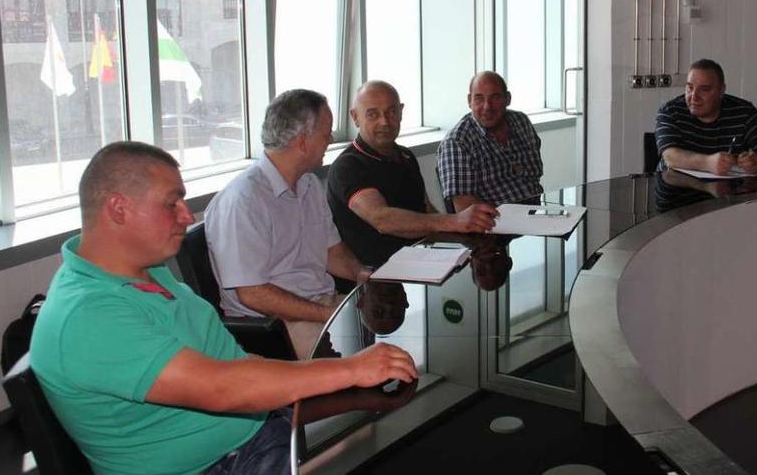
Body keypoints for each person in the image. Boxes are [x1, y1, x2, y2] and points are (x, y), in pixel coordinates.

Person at [29, 141, 417, 475]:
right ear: (118, 209)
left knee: (401, 436)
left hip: (255, 431)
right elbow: (221, 388)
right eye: (172, 203)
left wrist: (346, 385)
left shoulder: (146, 272)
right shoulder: (88, 316)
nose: (187, 216)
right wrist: (351, 368)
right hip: (219, 463)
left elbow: (230, 360)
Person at [205, 89, 369, 359]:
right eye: (326, 133)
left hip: (320, 305)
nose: (330, 139)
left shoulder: (309, 184)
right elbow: (253, 294)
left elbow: (332, 252)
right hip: (274, 324)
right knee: (359, 362)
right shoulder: (244, 200)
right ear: (303, 141)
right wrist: (330, 314)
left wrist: (366, 278)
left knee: (395, 333)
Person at [327, 80, 498, 267]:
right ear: (355, 117)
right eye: (373, 114)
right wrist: (454, 221)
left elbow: (426, 209)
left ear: (401, 112)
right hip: (373, 275)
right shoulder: (347, 166)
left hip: (420, 263)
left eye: (391, 112)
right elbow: (382, 219)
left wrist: (462, 247)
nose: (384, 121)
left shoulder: (405, 155)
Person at [437, 70, 544, 212]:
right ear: (469, 101)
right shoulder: (457, 142)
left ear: (508, 99)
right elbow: (466, 208)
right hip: (493, 226)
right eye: (479, 98)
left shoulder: (521, 122)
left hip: (536, 214)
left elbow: (535, 175)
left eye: (495, 97)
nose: (487, 106)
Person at [655, 58, 757, 175]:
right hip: (675, 192)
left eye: (704, 90)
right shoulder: (671, 111)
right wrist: (708, 163)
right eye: (690, 88)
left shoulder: (744, 112)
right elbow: (670, 156)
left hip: (728, 194)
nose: (694, 96)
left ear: (721, 90)